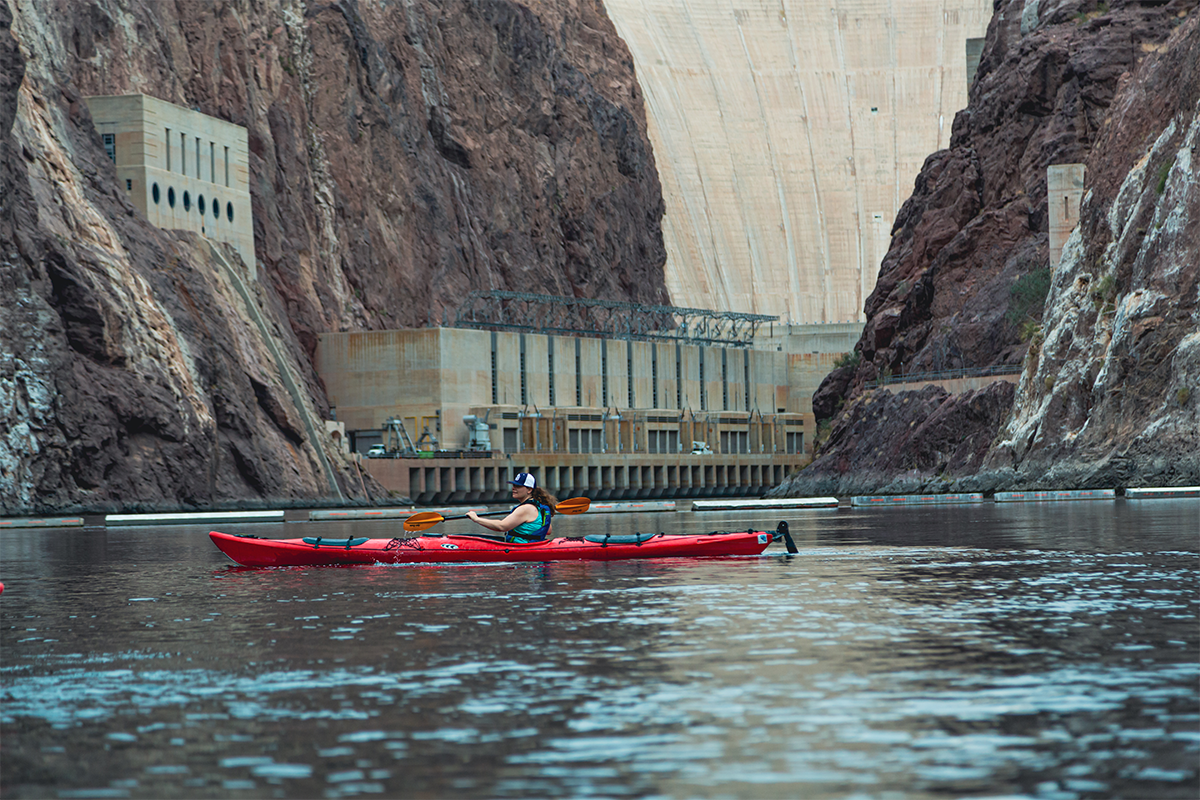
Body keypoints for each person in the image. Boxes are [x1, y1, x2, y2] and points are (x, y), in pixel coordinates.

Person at [467, 473, 557, 542]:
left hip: (522, 550)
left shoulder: (526, 508)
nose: (513, 488)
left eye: (518, 486)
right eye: (513, 485)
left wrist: (476, 519)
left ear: (529, 490)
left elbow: (502, 527)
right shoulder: (538, 507)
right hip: (530, 545)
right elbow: (548, 531)